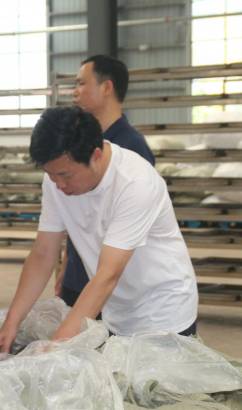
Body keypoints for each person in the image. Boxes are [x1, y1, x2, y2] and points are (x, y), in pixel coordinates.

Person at [0, 106, 198, 353]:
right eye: (51, 174)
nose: (59, 184)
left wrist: (55, 346)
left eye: (66, 175)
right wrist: (11, 323)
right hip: (115, 311)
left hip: (164, 313)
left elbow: (107, 275)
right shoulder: (56, 178)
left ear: (96, 156)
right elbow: (43, 255)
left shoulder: (135, 183)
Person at [56, 54, 155, 310]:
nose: (74, 92)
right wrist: (67, 264)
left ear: (106, 87)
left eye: (81, 83)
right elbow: (78, 213)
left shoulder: (132, 150)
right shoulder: (78, 144)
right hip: (79, 274)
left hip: (112, 284)